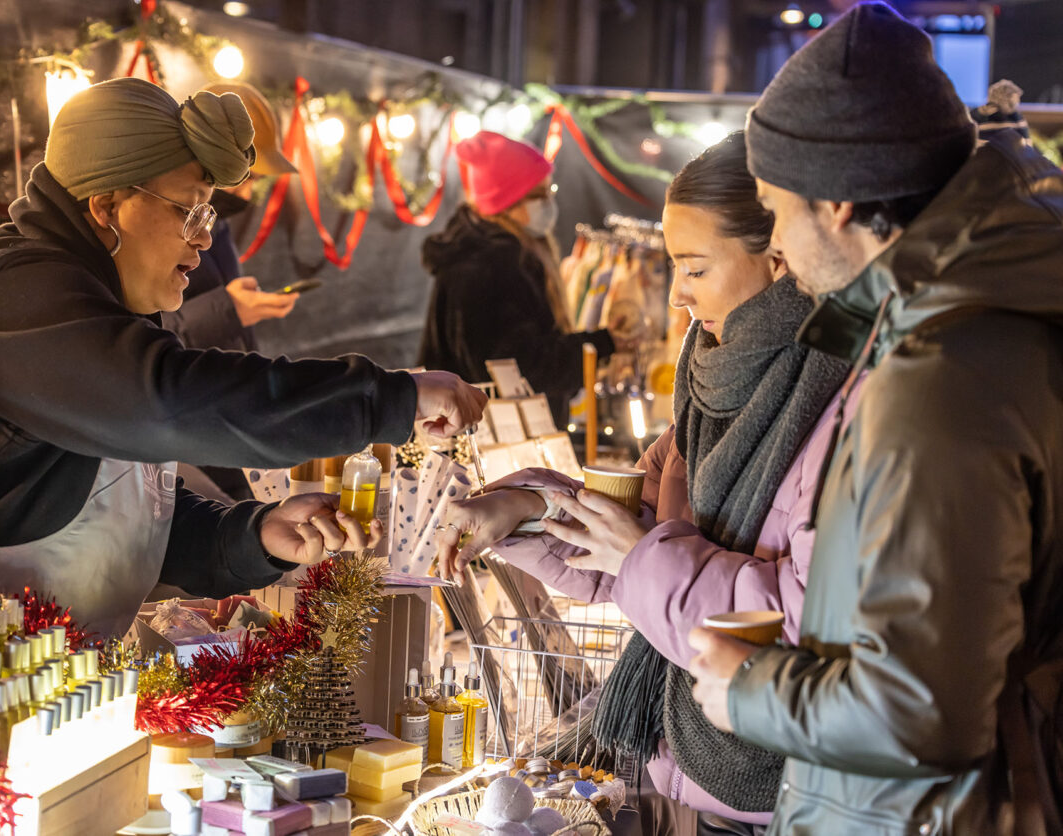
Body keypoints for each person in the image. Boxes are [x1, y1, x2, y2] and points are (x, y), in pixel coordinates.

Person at [0, 77, 486, 668]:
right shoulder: (20, 296)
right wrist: (388, 398)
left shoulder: (104, 304)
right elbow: (172, 402)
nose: (204, 237)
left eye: (208, 215)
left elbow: (118, 524)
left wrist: (254, 536)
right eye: (189, 210)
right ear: (106, 206)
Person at [686, 4, 1063, 834]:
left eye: (780, 205)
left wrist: (744, 691)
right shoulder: (984, 326)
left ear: (844, 204)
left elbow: (922, 708)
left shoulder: (941, 375)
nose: (777, 241)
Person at [437, 133, 853, 834]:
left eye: (693, 269)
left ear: (778, 257)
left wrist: (639, 558)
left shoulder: (846, 401)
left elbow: (812, 619)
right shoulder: (710, 389)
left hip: (787, 784)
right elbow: (627, 548)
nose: (678, 298)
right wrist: (523, 507)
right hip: (689, 763)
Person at [418, 130, 625, 427]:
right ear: (508, 200)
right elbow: (522, 370)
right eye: (539, 195)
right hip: (489, 440)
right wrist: (600, 344)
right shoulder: (493, 264)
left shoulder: (484, 253)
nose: (548, 203)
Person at [162, 81, 301, 503]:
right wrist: (228, 309)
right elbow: (142, 333)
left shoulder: (216, 226)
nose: (248, 192)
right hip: (188, 434)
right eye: (244, 178)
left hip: (230, 418)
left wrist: (240, 308)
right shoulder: (161, 226)